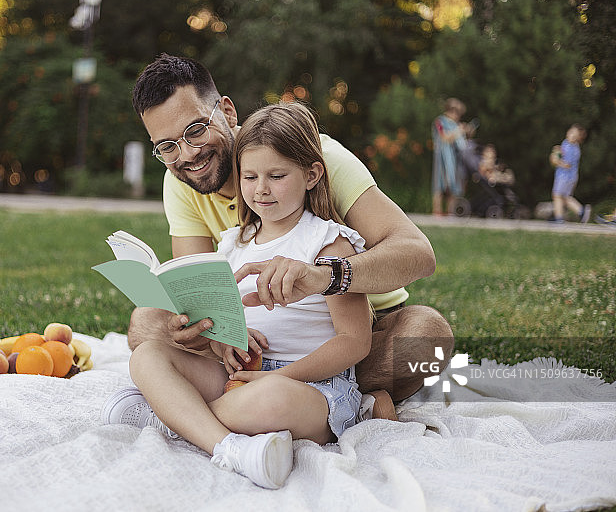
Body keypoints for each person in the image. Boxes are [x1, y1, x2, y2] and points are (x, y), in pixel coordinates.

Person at [125, 54, 453, 404]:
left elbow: (418, 254)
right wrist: (202, 330)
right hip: (258, 340)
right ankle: (273, 390)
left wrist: (323, 276)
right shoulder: (179, 181)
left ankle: (334, 393)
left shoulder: (316, 157)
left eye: (195, 131)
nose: (187, 154)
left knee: (427, 337)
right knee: (146, 322)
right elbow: (199, 292)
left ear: (227, 112)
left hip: (353, 328)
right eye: (167, 146)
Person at [102, 102, 397, 489]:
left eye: (276, 175)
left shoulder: (329, 245)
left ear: (311, 175)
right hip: (240, 375)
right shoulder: (232, 244)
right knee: (148, 355)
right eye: (249, 176)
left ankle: (175, 416)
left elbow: (355, 342)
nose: (261, 189)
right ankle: (228, 446)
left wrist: (275, 378)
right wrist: (226, 343)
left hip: (311, 385)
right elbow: (226, 326)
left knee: (269, 400)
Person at [431, 98, 469, 216]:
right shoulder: (440, 122)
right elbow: (444, 138)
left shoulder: (455, 125)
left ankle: (449, 212)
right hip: (442, 159)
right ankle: (437, 212)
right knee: (439, 185)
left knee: (453, 186)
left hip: (454, 160)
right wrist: (458, 131)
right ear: (452, 111)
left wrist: (466, 131)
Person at [550, 124, 591, 223]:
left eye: (575, 135)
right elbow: (562, 152)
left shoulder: (571, 148)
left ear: (578, 138)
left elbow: (566, 164)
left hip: (565, 176)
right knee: (565, 197)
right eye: (571, 132)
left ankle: (559, 218)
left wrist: (557, 160)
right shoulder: (568, 144)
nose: (571, 135)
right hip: (571, 177)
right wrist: (558, 150)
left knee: (557, 195)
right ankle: (581, 211)